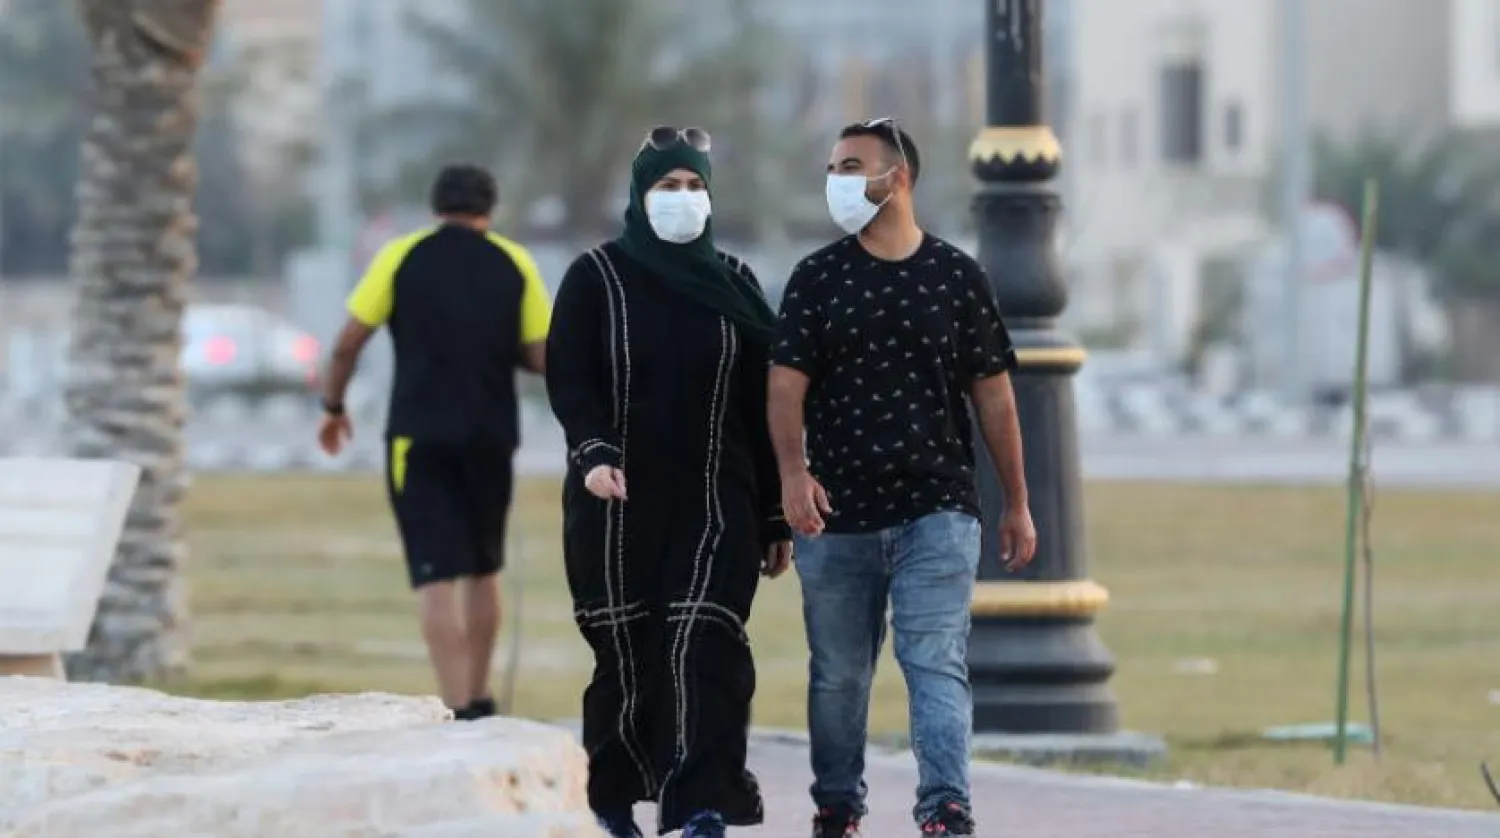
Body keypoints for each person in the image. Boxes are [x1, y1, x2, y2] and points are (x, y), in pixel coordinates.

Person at [767, 118, 1040, 837]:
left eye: (852, 165)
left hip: (938, 509)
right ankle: (836, 804)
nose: (838, 180)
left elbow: (993, 394)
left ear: (899, 177)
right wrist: (793, 477)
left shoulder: (956, 276)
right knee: (839, 675)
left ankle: (945, 806)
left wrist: (1016, 502)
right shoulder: (817, 278)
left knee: (935, 660)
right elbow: (785, 386)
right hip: (837, 515)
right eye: (832, 167)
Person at [545, 127, 793, 838]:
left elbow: (760, 405)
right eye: (666, 186)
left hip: (719, 501)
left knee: (707, 646)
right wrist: (593, 453)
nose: (681, 200)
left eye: (693, 187)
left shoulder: (736, 285)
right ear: (639, 194)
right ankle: (611, 800)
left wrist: (775, 516)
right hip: (615, 502)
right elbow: (571, 376)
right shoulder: (597, 277)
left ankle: (701, 806)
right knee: (628, 654)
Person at [316, 163, 552, 722]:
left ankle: (453, 707)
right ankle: (481, 697)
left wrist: (333, 407)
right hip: (492, 435)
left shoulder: (401, 256)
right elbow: (544, 355)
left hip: (418, 437)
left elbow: (348, 342)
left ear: (435, 207)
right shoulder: (514, 260)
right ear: (489, 211)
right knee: (483, 566)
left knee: (436, 575)